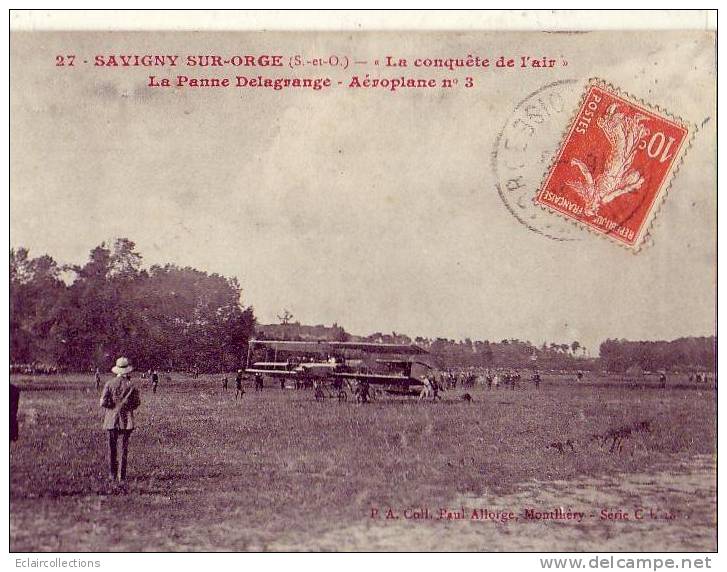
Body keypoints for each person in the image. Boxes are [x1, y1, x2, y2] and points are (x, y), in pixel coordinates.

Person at [100, 357, 141, 482]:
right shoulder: (131, 385)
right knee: (123, 449)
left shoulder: (109, 383)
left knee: (112, 448)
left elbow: (103, 402)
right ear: (127, 370)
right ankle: (121, 476)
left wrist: (112, 407)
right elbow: (136, 403)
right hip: (126, 420)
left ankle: (112, 474)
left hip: (111, 420)